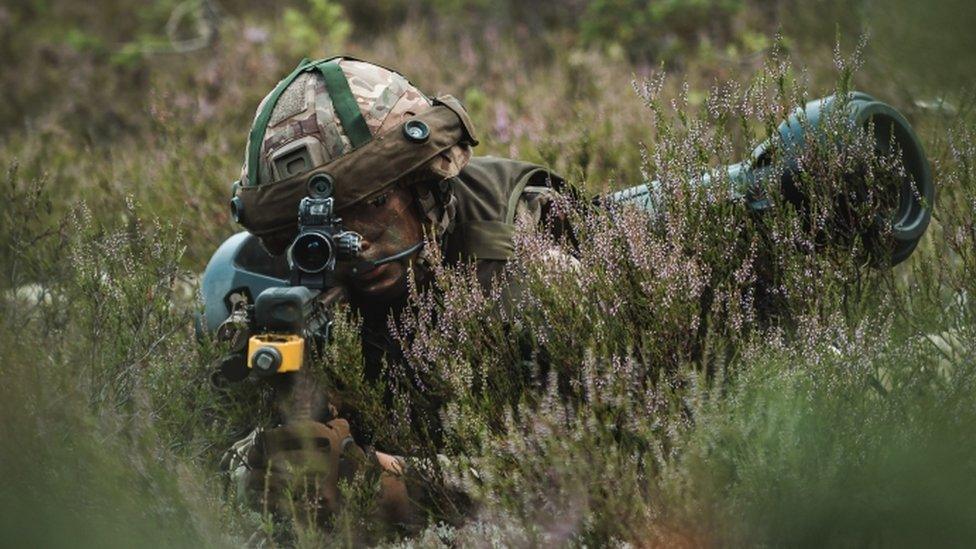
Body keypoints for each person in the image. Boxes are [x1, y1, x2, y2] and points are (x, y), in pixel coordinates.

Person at [214, 56, 569, 528]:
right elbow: (211, 442)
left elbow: (592, 468)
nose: (354, 241)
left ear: (423, 181)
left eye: (374, 203)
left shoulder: (524, 256)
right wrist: (266, 462)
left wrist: (393, 483)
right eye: (323, 225)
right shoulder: (292, 290)